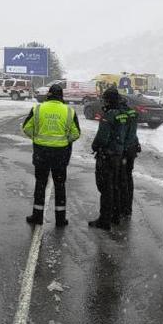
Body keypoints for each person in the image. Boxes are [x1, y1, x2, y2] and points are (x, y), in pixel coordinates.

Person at [22, 84, 81, 227]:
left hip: (41, 153)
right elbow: (76, 133)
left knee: (40, 184)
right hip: (60, 155)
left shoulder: (38, 109)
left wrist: (37, 139)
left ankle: (37, 216)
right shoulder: (69, 111)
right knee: (60, 185)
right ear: (61, 96)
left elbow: (26, 128)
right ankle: (60, 219)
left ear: (48, 95)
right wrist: (64, 141)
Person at [89, 87, 126, 230]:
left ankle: (104, 220)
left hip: (107, 156)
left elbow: (102, 137)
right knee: (115, 186)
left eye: (105, 99)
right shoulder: (122, 114)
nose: (103, 102)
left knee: (105, 188)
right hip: (118, 154)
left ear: (108, 100)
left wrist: (94, 146)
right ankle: (115, 216)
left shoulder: (109, 115)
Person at [116, 95, 140, 223]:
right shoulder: (133, 113)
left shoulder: (122, 115)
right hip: (132, 149)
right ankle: (128, 208)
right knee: (128, 178)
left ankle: (122, 208)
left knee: (121, 179)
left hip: (124, 150)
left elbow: (122, 134)